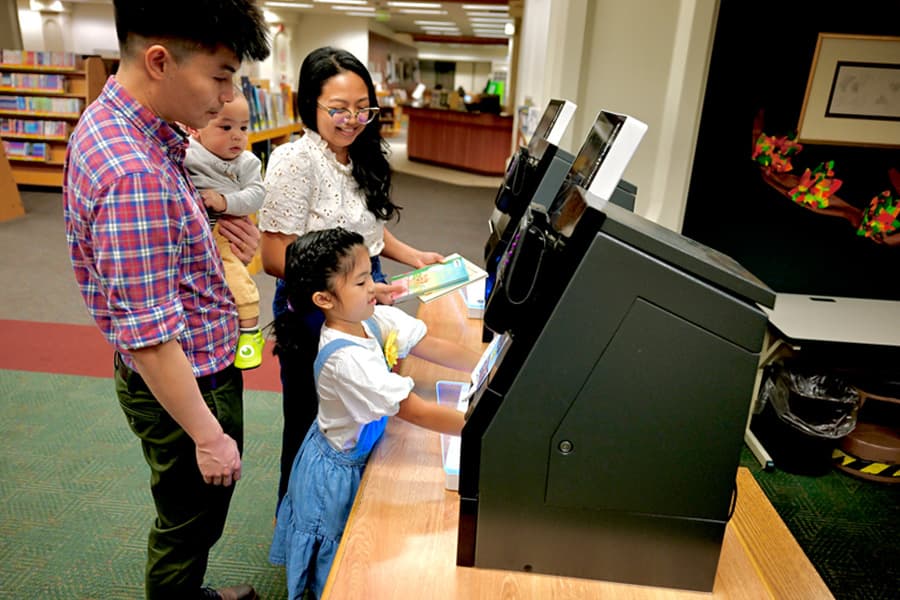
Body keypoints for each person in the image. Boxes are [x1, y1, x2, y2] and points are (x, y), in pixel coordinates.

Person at [62, 1, 269, 598]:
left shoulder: (134, 127)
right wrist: (208, 435)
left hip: (194, 359)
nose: (229, 97)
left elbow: (157, 261)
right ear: (159, 61)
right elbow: (150, 340)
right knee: (188, 522)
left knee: (193, 514)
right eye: (222, 76)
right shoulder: (134, 173)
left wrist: (217, 233)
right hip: (185, 377)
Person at [258, 46, 445, 508]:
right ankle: (301, 525)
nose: (352, 119)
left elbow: (369, 229)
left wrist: (413, 256)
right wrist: (350, 287)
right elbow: (273, 255)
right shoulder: (295, 161)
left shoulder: (358, 154)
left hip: (363, 294)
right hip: (318, 306)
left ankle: (349, 519)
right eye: (338, 109)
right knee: (313, 421)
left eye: (363, 108)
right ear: (310, 104)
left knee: (363, 415)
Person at [268, 227, 481, 599]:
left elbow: (430, 345)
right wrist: (485, 424)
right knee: (338, 560)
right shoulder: (347, 358)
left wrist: (490, 366)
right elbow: (416, 412)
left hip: (357, 447)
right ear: (324, 299)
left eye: (371, 274)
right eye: (363, 281)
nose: (376, 287)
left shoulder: (366, 320)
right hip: (335, 474)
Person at [185, 92, 266, 370]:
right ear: (195, 127)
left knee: (235, 277)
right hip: (193, 230)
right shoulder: (185, 151)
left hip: (225, 232)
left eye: (243, 127)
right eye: (226, 127)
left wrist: (225, 202)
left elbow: (256, 195)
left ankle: (250, 332)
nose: (237, 136)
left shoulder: (247, 162)